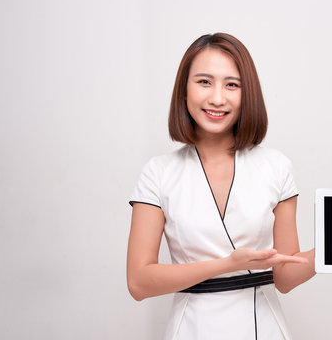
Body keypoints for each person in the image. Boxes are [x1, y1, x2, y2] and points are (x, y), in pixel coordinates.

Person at [126, 33, 315, 340]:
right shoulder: (158, 172)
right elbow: (139, 281)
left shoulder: (276, 166)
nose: (217, 98)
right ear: (184, 90)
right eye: (204, 82)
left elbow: (284, 276)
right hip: (191, 329)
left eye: (232, 84)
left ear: (247, 94)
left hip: (263, 328)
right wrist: (227, 264)